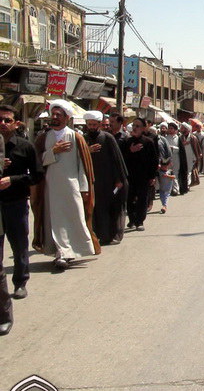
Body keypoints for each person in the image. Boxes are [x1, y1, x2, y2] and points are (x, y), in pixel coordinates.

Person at [31, 100, 100, 269]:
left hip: (72, 187)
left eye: (58, 115)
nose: (54, 117)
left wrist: (84, 188)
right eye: (52, 114)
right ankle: (59, 253)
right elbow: (36, 161)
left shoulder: (76, 137)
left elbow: (82, 165)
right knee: (53, 220)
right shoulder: (43, 137)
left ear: (67, 118)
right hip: (50, 187)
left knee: (73, 219)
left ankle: (71, 251)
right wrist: (52, 152)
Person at [0, 105, 43, 305]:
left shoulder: (25, 146)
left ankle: (20, 282)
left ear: (16, 123)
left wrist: (13, 179)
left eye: (7, 120)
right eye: (0, 119)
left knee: (18, 245)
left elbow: (36, 176)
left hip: (15, 203)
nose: (2, 123)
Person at [83, 111, 128, 245]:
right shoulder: (82, 138)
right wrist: (87, 151)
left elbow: (117, 160)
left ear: (99, 124)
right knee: (92, 209)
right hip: (89, 180)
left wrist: (119, 179)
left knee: (107, 208)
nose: (91, 126)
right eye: (89, 124)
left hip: (107, 181)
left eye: (94, 124)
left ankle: (108, 235)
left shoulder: (107, 138)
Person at [120, 118, 158, 231]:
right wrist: (130, 151)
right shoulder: (127, 142)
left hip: (144, 176)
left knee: (142, 199)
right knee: (130, 198)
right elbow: (121, 159)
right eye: (134, 125)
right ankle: (132, 219)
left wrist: (152, 176)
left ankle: (140, 221)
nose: (135, 128)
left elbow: (154, 160)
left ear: (143, 128)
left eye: (138, 126)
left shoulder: (148, 142)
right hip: (130, 176)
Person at [155, 124, 174, 213]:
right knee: (163, 195)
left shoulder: (164, 140)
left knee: (166, 195)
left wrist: (167, 176)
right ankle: (164, 205)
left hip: (167, 187)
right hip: (162, 187)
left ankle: (164, 205)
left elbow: (173, 176)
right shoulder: (160, 171)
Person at [180, 122, 201, 190]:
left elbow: (197, 147)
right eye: (181, 128)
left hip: (191, 157)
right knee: (184, 171)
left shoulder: (193, 138)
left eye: (183, 128)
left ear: (187, 129)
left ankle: (187, 185)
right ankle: (185, 184)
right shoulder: (180, 137)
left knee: (189, 171)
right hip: (182, 157)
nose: (181, 129)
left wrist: (198, 154)